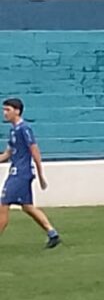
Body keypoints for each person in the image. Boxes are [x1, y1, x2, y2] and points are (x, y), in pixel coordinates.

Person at [0, 98, 60, 249]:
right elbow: (7, 153)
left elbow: (35, 151)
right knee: (27, 206)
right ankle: (52, 233)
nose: (4, 113)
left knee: (3, 204)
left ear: (17, 111)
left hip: (20, 173)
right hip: (17, 172)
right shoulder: (13, 130)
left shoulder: (24, 129)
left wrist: (40, 175)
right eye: (4, 110)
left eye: (7, 110)